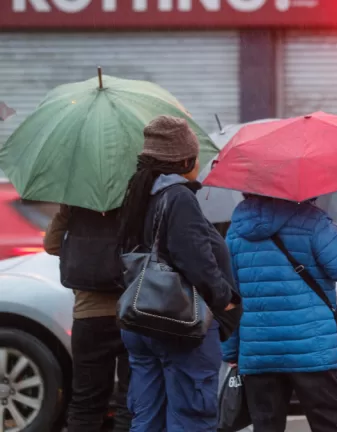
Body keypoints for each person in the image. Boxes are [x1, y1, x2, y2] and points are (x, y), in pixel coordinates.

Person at [118, 115, 240, 431]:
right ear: (182, 159)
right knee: (191, 418)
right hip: (178, 322)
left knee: (147, 417)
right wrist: (224, 299)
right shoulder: (179, 198)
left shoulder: (138, 194)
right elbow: (197, 260)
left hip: (140, 318)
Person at [222, 193, 337, 432]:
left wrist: (231, 350)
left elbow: (229, 296)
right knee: (329, 425)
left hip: (258, 350)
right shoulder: (312, 220)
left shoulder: (237, 229)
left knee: (266, 427)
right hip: (312, 348)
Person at [44, 206, 131, 431]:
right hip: (131, 313)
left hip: (88, 316)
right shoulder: (135, 203)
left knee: (86, 402)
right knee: (130, 401)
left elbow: (52, 244)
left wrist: (66, 211)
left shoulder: (77, 205)